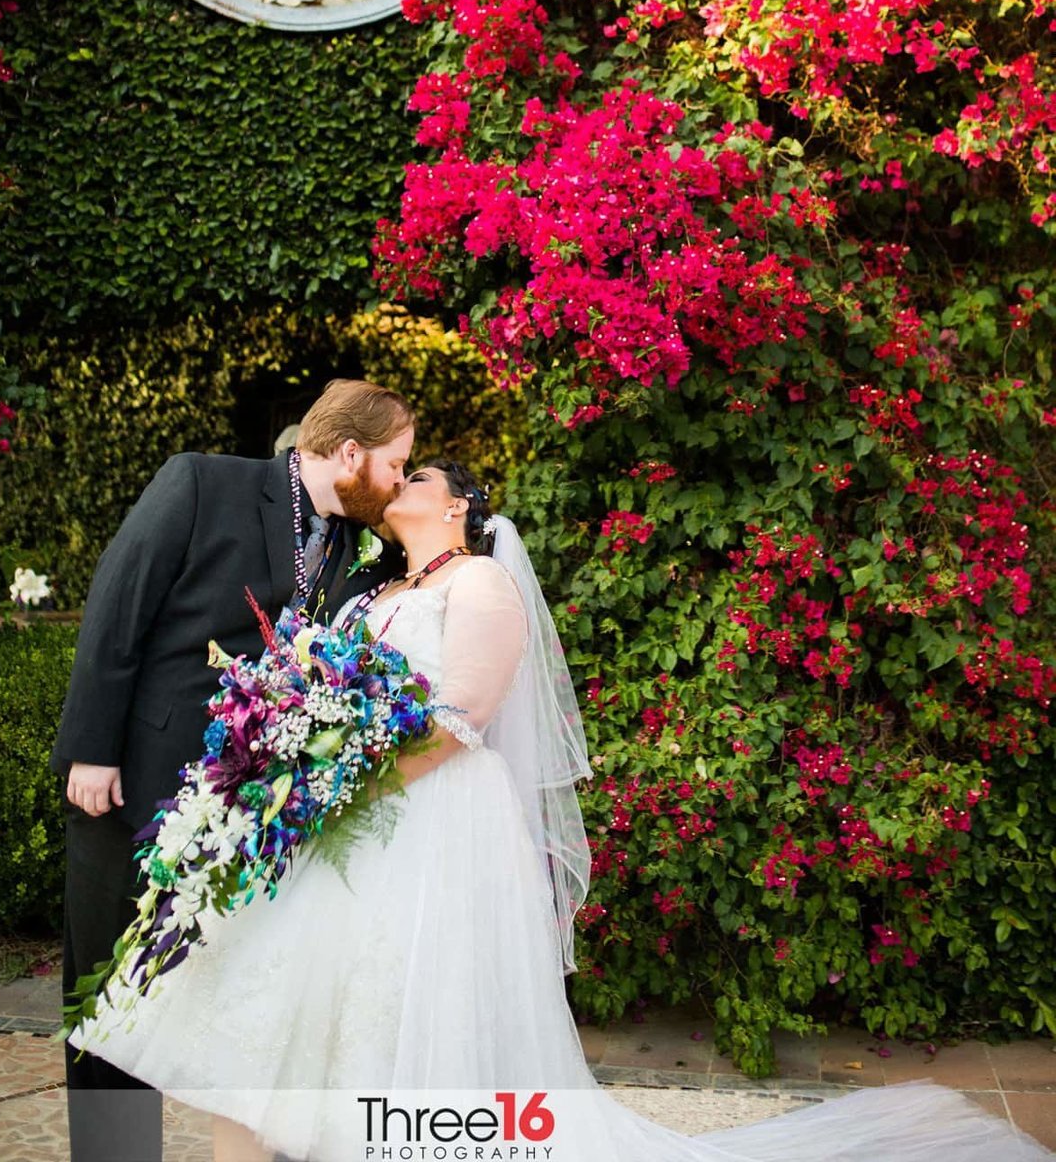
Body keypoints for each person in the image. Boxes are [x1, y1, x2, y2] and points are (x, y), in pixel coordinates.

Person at [69, 462, 1052, 1162]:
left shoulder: (484, 583)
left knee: (409, 1018)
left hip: (431, 819)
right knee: (299, 1014)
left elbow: (458, 720)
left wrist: (345, 786)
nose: (396, 485)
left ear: (457, 504)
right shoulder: (370, 596)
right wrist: (297, 762)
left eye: (416, 477)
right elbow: (329, 694)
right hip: (356, 828)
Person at [54, 378, 414, 1162]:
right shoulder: (200, 481)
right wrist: (91, 748)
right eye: (394, 465)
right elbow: (118, 605)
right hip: (131, 785)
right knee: (111, 996)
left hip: (247, 815)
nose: (395, 484)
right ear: (348, 453)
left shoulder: (357, 548)